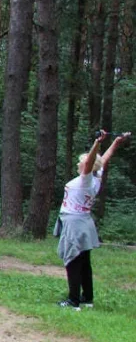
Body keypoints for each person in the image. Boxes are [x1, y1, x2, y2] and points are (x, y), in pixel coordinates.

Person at [55, 130, 131, 310]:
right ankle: (87, 298)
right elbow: (103, 159)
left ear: (87, 166)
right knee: (84, 262)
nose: (79, 163)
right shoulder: (96, 177)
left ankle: (73, 301)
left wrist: (97, 142)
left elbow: (92, 160)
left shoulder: (86, 180)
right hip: (84, 221)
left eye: (81, 162)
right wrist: (116, 143)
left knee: (73, 261)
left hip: (75, 222)